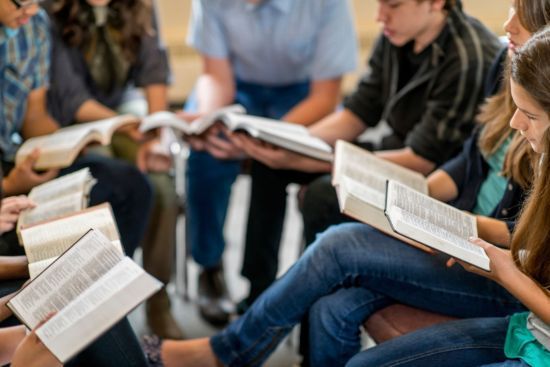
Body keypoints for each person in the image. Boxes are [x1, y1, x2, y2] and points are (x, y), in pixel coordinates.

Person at [149, 2, 548, 365]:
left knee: (340, 245)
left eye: (521, 17)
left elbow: (518, 233)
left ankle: (228, 351)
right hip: (473, 236)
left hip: (494, 260)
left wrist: (447, 220)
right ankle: (256, 310)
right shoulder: (508, 69)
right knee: (334, 304)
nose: (507, 25)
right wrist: (414, 201)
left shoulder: (496, 73)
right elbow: (465, 162)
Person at [230, 0, 502, 310]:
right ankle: (259, 290)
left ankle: (309, 310)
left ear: (435, 3)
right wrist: (291, 145)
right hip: (395, 151)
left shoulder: (467, 57)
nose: (379, 16)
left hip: (431, 178)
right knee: (270, 165)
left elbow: (421, 160)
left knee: (323, 194)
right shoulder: (397, 33)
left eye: (393, 5)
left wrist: (317, 162)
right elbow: (357, 113)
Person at [345, 24, 550, 366]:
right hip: (531, 329)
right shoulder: (545, 153)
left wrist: (506, 271)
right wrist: (495, 258)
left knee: (344, 248)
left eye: (529, 114)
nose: (515, 123)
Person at [183, 0, 358, 326]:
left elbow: (326, 96)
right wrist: (210, 120)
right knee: (207, 155)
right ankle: (209, 267)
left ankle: (293, 284)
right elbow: (217, 76)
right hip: (238, 89)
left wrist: (266, 139)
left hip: (304, 94)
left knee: (278, 162)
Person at [45, 0, 182, 339]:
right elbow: (70, 97)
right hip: (67, 118)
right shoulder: (49, 10)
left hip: (123, 107)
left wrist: (156, 134)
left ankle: (158, 300)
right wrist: (121, 126)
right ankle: (101, 303)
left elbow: (154, 73)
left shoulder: (142, 7)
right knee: (104, 180)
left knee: (162, 188)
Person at [0, 0, 152, 257]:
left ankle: (106, 291)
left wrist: (69, 144)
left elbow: (35, 117)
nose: (33, 10)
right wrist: (8, 186)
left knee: (130, 186)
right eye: (23, 3)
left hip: (13, 158)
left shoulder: (33, 25)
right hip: (7, 180)